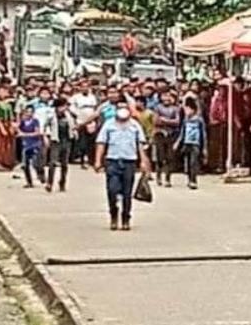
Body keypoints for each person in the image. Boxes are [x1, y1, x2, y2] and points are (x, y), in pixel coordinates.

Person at [94, 101, 152, 231]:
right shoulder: (108, 125)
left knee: (127, 192)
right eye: (119, 108)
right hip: (112, 161)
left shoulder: (135, 125)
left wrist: (144, 162)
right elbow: (101, 143)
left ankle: (126, 217)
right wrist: (98, 161)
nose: (122, 110)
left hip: (129, 162)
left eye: (124, 108)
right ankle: (113, 214)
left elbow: (140, 145)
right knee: (112, 189)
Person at [174, 97, 208, 189]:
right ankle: (189, 179)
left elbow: (203, 133)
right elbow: (182, 132)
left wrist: (204, 147)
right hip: (186, 142)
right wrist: (178, 142)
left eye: (188, 109)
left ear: (193, 109)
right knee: (188, 162)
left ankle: (193, 180)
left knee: (194, 162)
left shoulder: (199, 120)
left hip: (195, 143)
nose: (186, 111)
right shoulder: (185, 120)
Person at [46, 97, 76, 192]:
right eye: (62, 106)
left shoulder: (69, 116)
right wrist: (47, 136)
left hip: (66, 140)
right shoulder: (51, 116)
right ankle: (49, 183)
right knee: (53, 163)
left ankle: (62, 183)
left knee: (65, 164)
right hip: (56, 140)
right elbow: (45, 126)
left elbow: (74, 124)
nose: (64, 108)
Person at [152, 91, 181, 186]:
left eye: (168, 96)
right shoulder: (158, 107)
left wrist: (165, 120)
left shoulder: (175, 109)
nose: (166, 98)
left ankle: (168, 178)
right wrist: (168, 122)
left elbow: (177, 121)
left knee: (170, 157)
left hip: (171, 134)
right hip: (159, 133)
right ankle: (159, 176)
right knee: (160, 156)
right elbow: (156, 121)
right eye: (164, 96)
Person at [70, 80, 99, 169]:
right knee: (82, 142)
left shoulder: (93, 97)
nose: (85, 88)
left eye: (87, 86)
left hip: (91, 121)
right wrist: (77, 114)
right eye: (83, 86)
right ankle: (83, 159)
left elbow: (95, 108)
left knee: (91, 142)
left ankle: (91, 159)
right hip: (80, 120)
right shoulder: (76, 97)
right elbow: (71, 107)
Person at [33, 86, 59, 185]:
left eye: (47, 93)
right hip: (37, 131)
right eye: (42, 93)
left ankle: (44, 175)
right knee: (38, 155)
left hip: (49, 132)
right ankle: (40, 171)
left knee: (46, 155)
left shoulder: (52, 105)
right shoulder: (34, 105)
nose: (45, 95)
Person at [18, 105, 43, 188]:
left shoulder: (35, 121)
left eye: (30, 112)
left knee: (35, 163)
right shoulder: (22, 122)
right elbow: (17, 130)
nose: (28, 114)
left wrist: (25, 134)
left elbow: (37, 132)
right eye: (27, 112)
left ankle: (41, 175)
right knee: (25, 165)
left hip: (34, 144)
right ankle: (29, 182)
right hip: (26, 145)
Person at [0, 84, 16, 169]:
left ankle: (7, 161)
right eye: (1, 91)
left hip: (7, 124)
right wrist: (1, 128)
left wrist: (12, 126)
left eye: (5, 91)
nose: (3, 93)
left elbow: (11, 116)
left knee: (7, 144)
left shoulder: (8, 104)